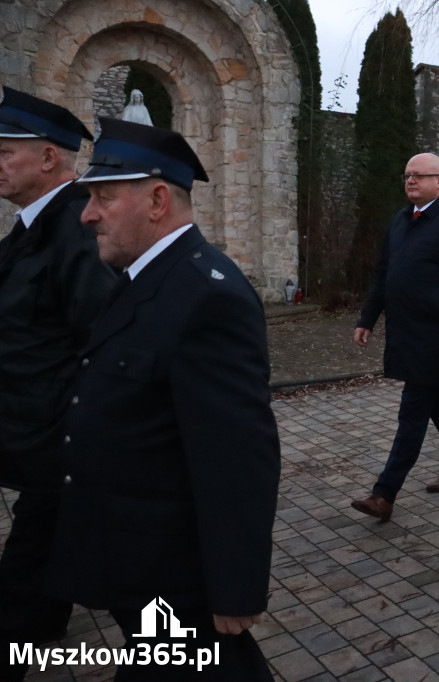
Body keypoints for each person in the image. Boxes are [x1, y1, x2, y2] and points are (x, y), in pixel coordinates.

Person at [45, 118, 281, 680]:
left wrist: (235, 585)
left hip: (172, 574)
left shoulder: (205, 296)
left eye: (103, 196)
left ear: (156, 200)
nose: (87, 213)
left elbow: (239, 455)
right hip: (135, 555)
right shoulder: (142, 278)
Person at [0, 87, 114, 681]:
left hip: (59, 444)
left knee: (23, 575)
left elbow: (100, 342)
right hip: (36, 438)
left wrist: (77, 441)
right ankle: (45, 619)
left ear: (48, 158)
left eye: (4, 150)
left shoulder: (74, 227)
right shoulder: (29, 228)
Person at [351, 153, 439, 522]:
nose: (410, 181)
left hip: (436, 339)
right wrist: (367, 318)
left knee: (412, 415)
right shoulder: (401, 220)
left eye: (418, 176)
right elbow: (383, 273)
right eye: (407, 175)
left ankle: (384, 493)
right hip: (406, 335)